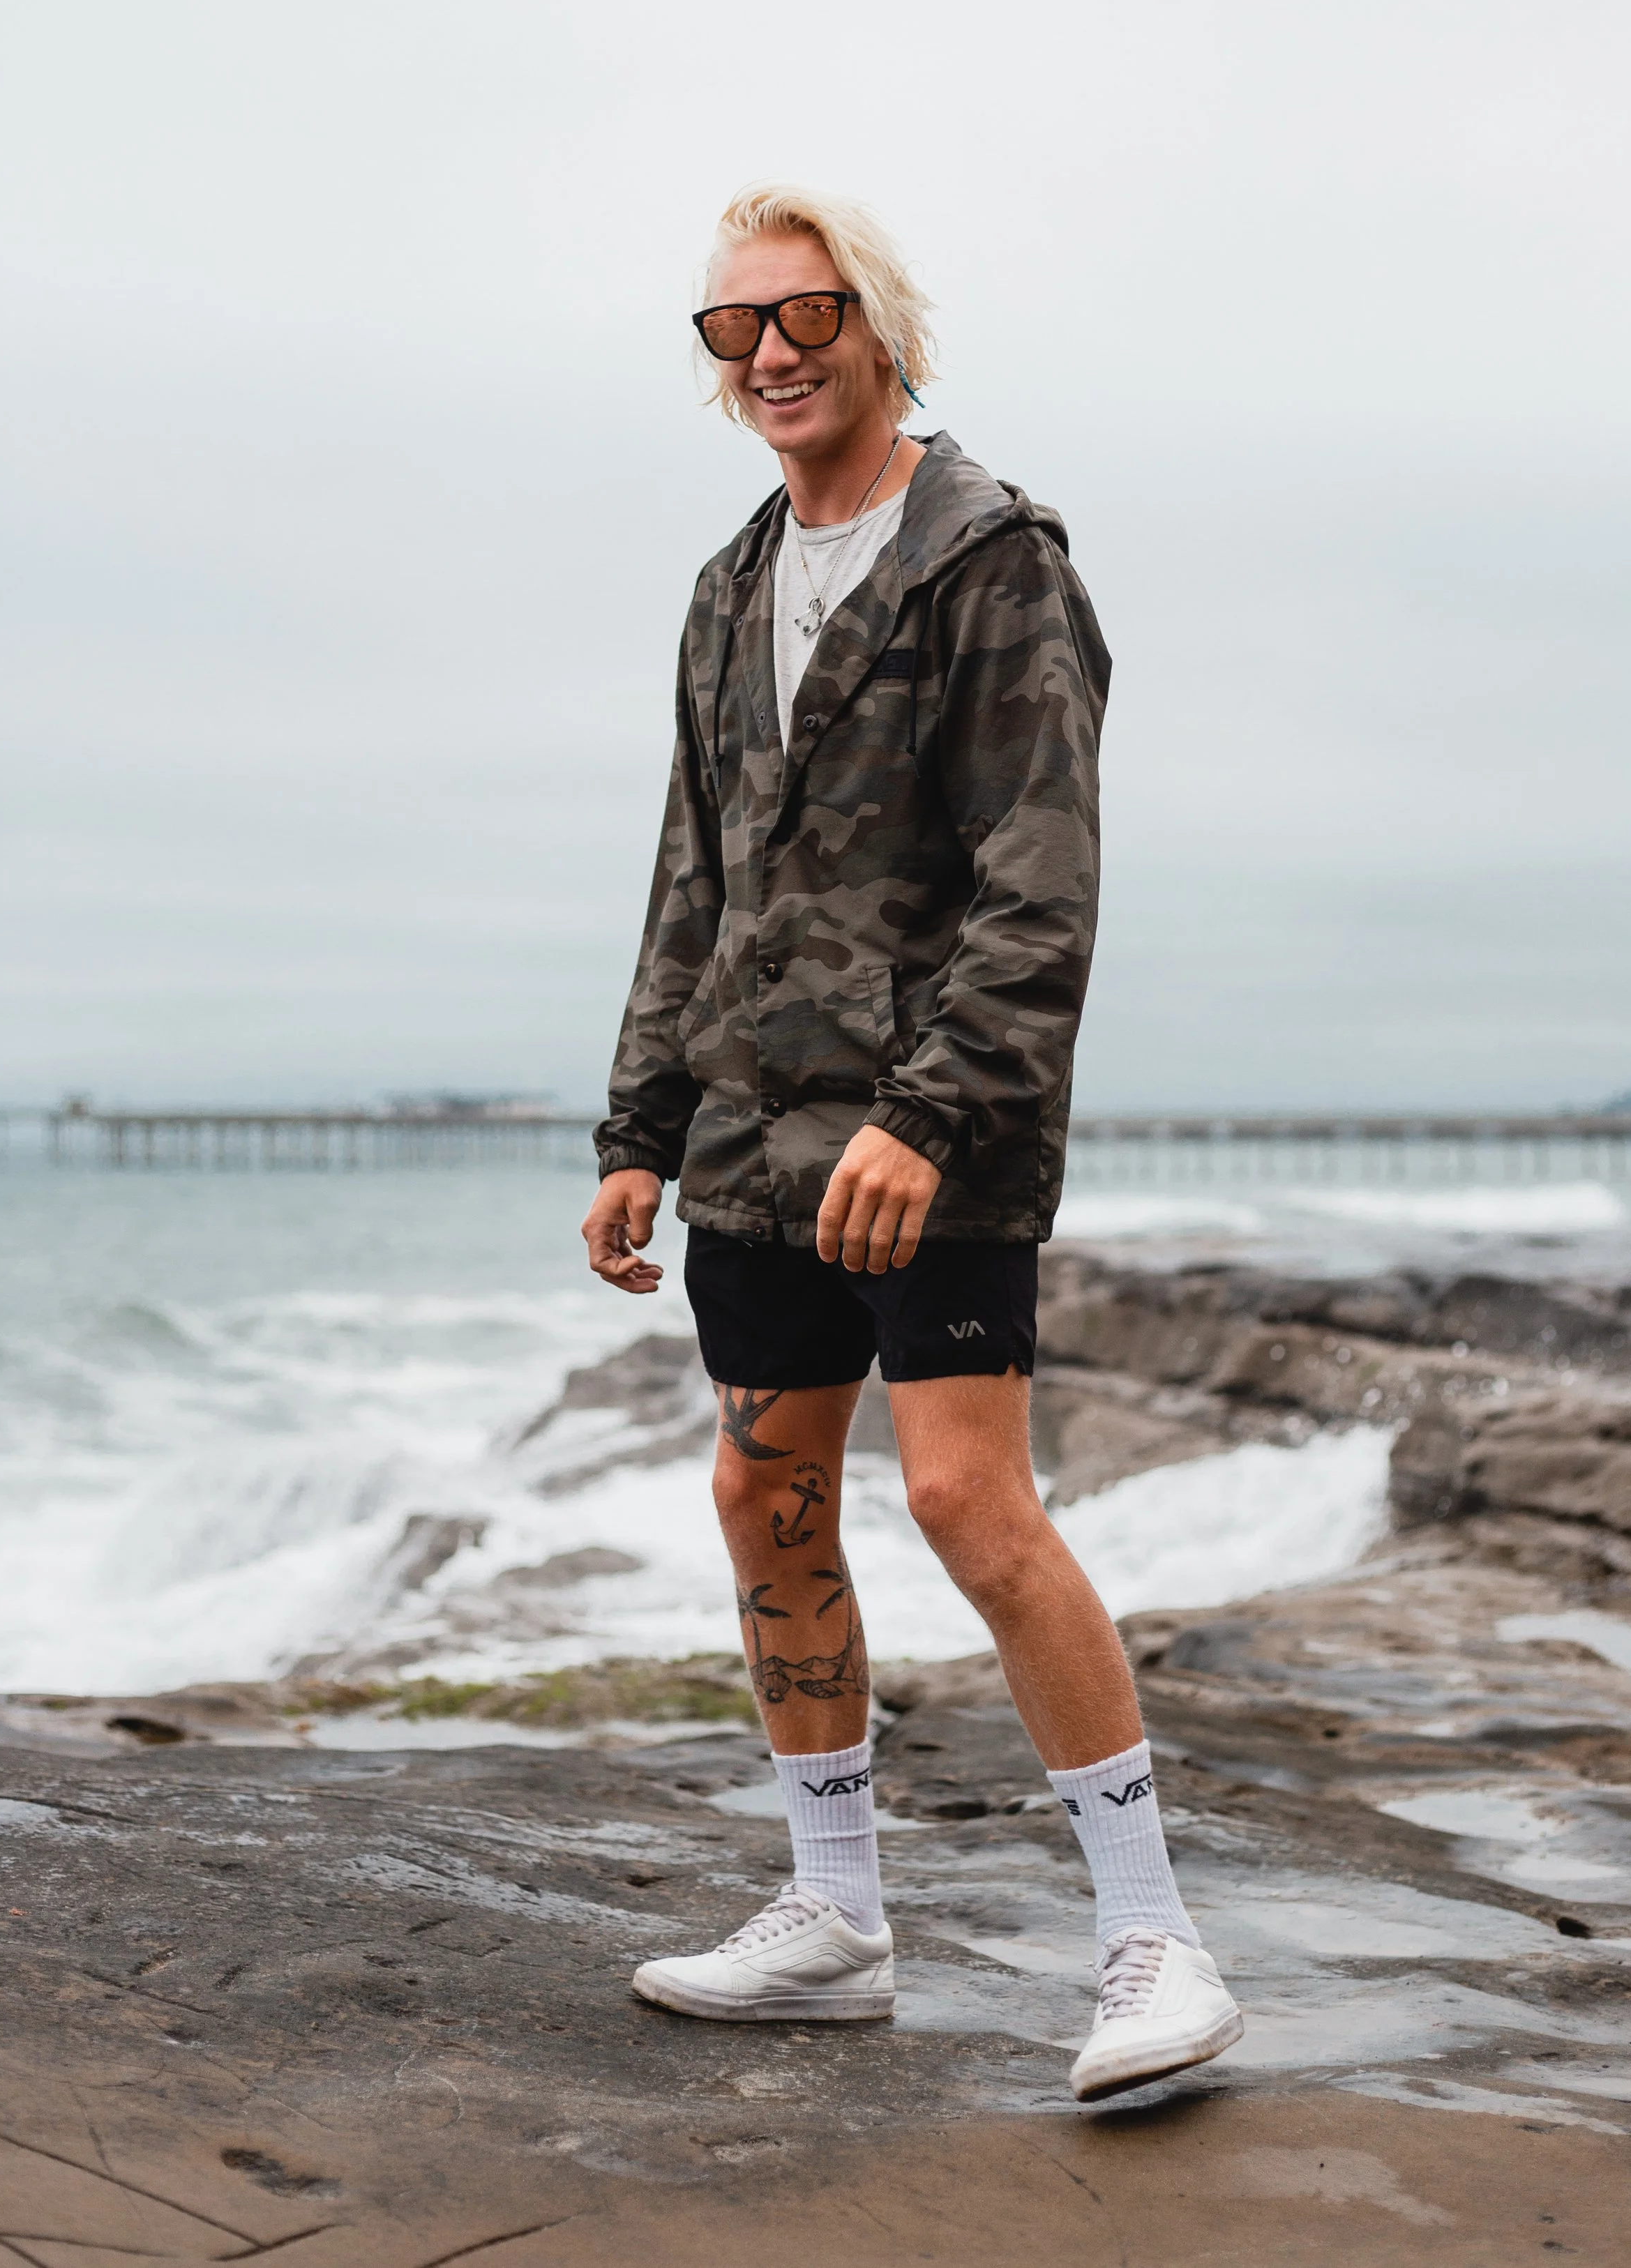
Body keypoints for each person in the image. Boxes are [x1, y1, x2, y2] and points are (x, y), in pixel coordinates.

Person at [582, 185, 1241, 2098]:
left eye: (806, 315)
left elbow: (1043, 880)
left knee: (965, 1499)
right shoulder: (727, 590)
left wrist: (930, 1114)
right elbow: (691, 878)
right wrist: (639, 1125)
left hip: (935, 1132)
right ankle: (835, 1917)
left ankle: (1155, 1940)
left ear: (881, 327)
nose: (771, 353)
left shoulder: (989, 556)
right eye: (733, 328)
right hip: (749, 1135)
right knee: (762, 1495)